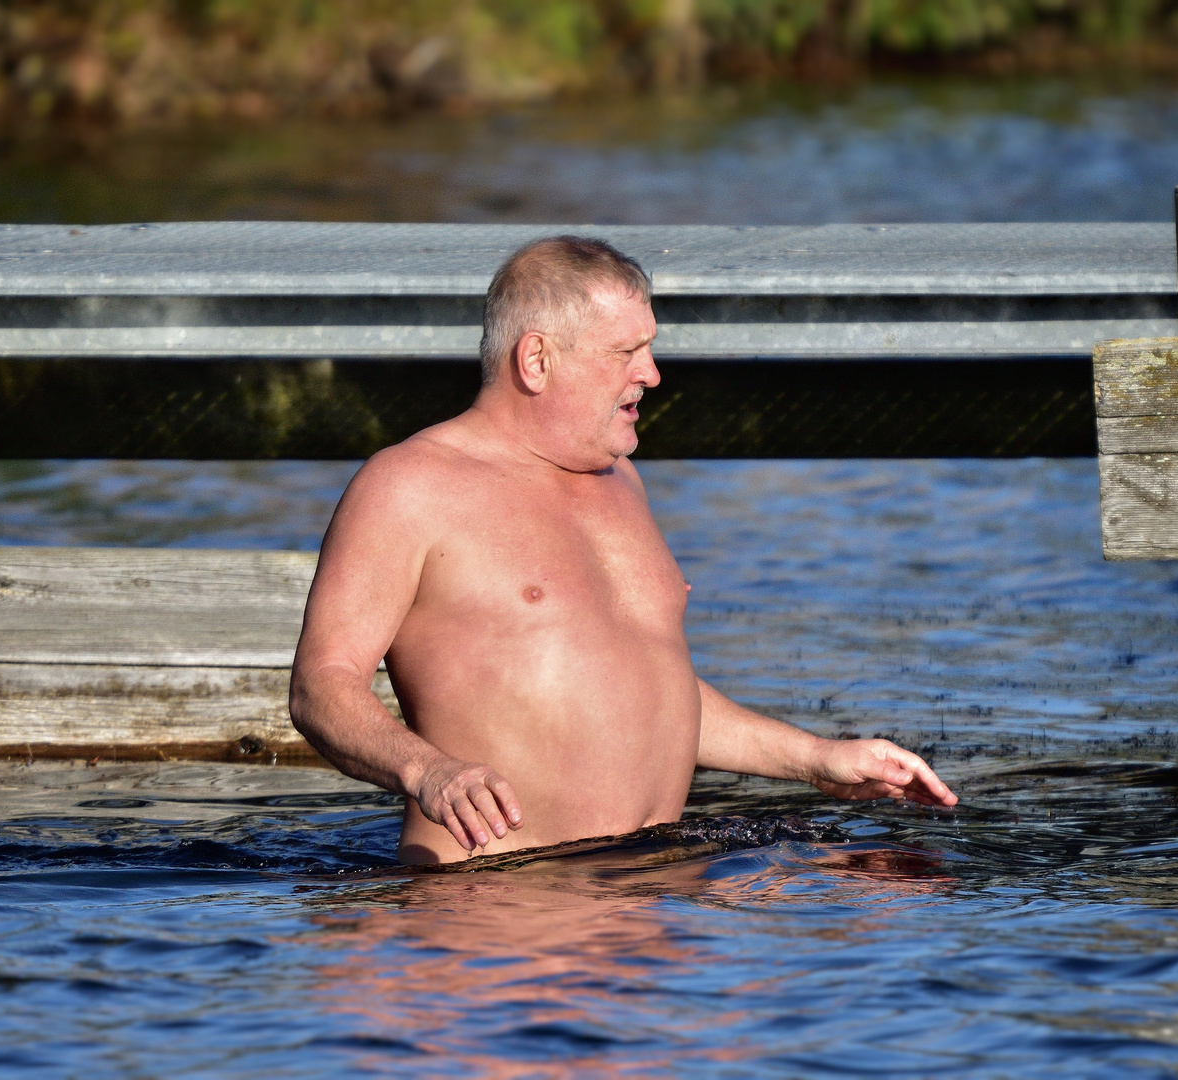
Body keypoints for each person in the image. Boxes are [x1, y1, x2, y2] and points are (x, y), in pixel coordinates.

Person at [289, 236, 956, 865]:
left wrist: (816, 759)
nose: (653, 374)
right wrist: (427, 770)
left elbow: (644, 691)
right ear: (537, 359)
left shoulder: (621, 480)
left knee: (895, 897)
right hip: (492, 916)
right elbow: (323, 685)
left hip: (651, 902)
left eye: (649, 348)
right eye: (624, 352)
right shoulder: (409, 486)